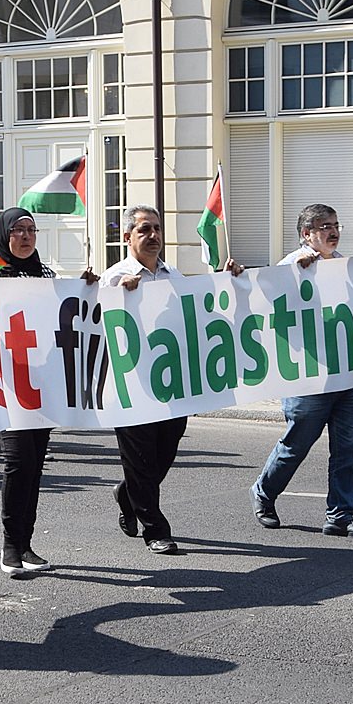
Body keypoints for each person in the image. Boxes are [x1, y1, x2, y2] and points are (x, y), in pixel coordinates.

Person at [100, 205, 244, 554]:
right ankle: (155, 530)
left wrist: (227, 281)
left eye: (157, 229)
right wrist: (119, 295)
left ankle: (127, 492)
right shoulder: (114, 277)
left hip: (171, 382)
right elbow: (95, 321)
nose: (153, 237)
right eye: (144, 230)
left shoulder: (173, 275)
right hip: (131, 384)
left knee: (164, 453)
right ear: (127, 237)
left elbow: (200, 311)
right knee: (139, 457)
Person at [250, 203, 353, 539]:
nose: (332, 231)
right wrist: (293, 277)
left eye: (335, 224)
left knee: (347, 449)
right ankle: (263, 493)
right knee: (295, 446)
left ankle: (341, 516)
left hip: (346, 375)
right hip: (308, 377)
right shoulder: (292, 264)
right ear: (307, 234)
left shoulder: (345, 266)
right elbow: (263, 300)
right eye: (323, 226)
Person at [0, 207, 94, 575]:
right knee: (18, 462)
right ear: (3, 234)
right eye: (17, 230)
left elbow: (64, 313)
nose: (25, 237)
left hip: (40, 385)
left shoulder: (45, 274)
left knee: (35, 464)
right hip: (5, 385)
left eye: (31, 230)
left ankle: (26, 544)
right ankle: (9, 546)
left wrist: (85, 288)